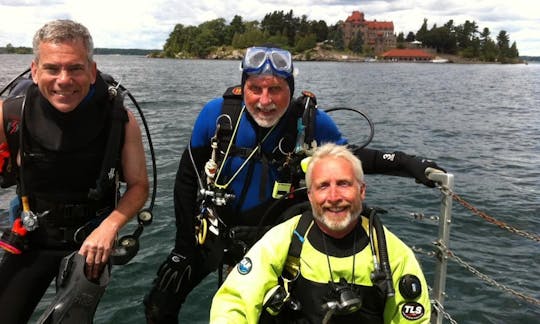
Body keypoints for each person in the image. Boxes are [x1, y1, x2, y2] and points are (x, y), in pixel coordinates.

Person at [143, 45, 442, 323]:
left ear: (291, 90)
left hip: (272, 239)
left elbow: (350, 159)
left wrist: (407, 163)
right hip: (216, 231)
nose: (265, 100)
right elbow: (185, 180)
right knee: (159, 302)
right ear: (244, 87)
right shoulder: (218, 115)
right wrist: (183, 246)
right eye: (255, 89)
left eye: (276, 89)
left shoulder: (310, 123)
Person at [0, 19, 149, 324]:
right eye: (52, 68)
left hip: (90, 244)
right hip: (32, 237)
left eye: (76, 68)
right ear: (34, 70)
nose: (64, 80)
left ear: (92, 72)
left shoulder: (119, 119)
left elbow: (138, 186)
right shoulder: (10, 114)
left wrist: (109, 228)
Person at [210, 143, 431, 323]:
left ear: (362, 191)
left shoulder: (392, 253)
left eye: (343, 184)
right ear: (310, 196)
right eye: (323, 186)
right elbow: (235, 301)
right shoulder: (284, 239)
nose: (334, 197)